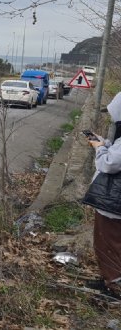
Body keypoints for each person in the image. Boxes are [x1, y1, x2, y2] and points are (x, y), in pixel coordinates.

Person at [86, 92, 121, 296]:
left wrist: (99, 148)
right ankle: (109, 280)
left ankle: (113, 287)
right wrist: (105, 144)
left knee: (109, 242)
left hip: (113, 203)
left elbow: (109, 164)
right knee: (108, 242)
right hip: (113, 203)